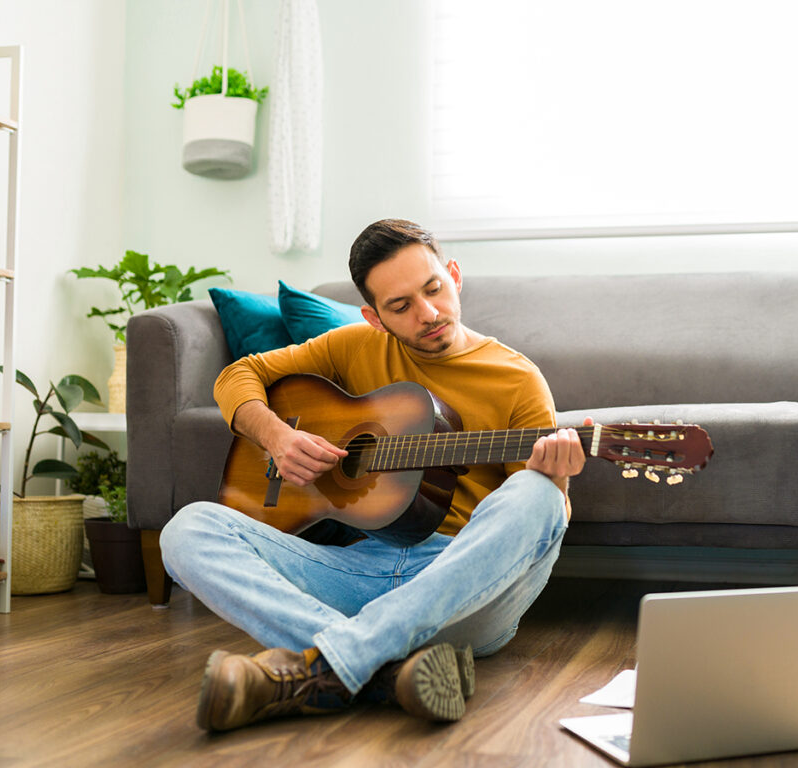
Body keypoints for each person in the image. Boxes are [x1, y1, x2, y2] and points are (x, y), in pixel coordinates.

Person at [160, 218, 590, 732]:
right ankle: (390, 671)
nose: (428, 314)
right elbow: (238, 375)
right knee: (186, 530)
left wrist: (557, 481)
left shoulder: (517, 379)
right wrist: (277, 436)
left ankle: (333, 662)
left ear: (453, 274)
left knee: (536, 493)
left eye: (434, 289)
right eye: (401, 306)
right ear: (375, 316)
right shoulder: (354, 346)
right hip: (359, 572)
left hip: (465, 589)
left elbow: (540, 522)